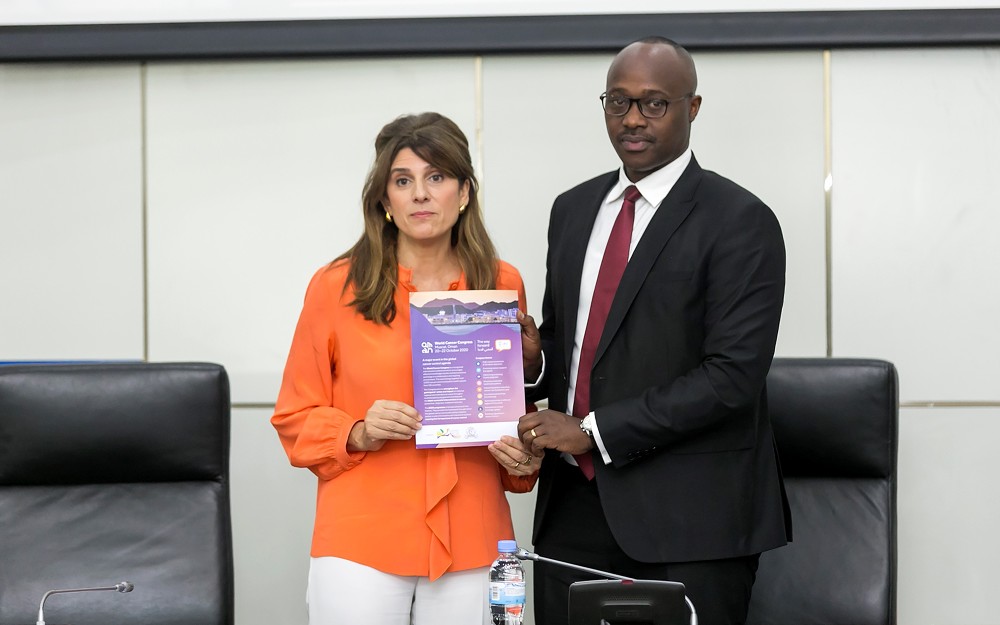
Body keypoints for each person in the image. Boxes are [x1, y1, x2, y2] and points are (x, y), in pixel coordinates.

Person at [516, 37, 792, 625]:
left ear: (692, 108)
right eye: (618, 102)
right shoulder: (573, 209)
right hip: (572, 514)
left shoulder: (740, 220)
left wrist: (593, 431)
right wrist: (535, 361)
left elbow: (731, 377)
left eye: (654, 103)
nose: (633, 119)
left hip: (691, 523)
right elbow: (575, 343)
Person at [271, 112, 542, 625]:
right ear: (385, 201)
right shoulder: (334, 287)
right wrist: (357, 429)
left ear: (463, 192)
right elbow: (294, 416)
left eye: (436, 177)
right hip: (361, 536)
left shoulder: (502, 284)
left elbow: (509, 412)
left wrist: (523, 456)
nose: (420, 194)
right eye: (403, 181)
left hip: (475, 532)